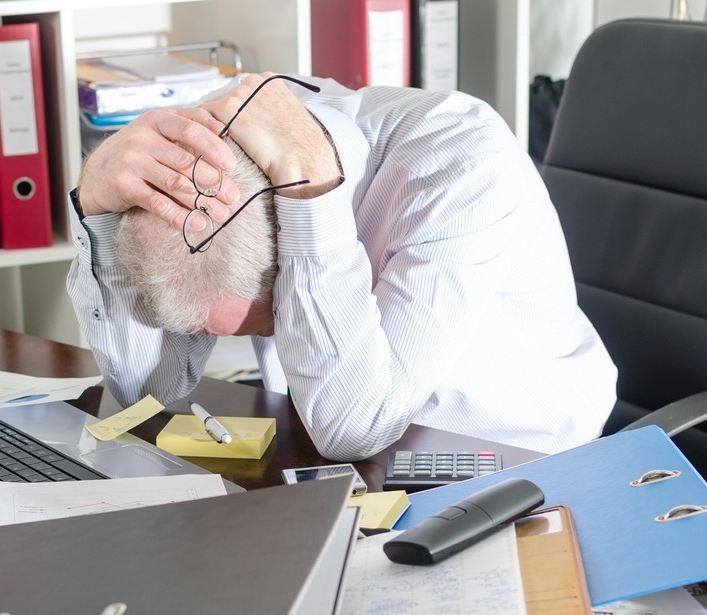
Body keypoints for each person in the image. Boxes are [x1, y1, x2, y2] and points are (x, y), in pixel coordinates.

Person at [66, 72, 617, 459]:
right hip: (360, 456)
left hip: (526, 464)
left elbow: (354, 426)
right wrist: (98, 208)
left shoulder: (463, 158)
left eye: (272, 322)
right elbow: (149, 390)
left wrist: (314, 200)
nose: (280, 337)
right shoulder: (218, 143)